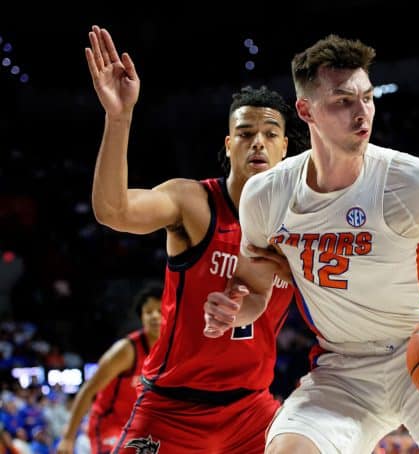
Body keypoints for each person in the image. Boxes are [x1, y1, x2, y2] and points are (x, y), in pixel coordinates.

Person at [204, 34, 419, 454]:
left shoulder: (416, 183)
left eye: (367, 97)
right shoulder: (265, 195)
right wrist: (232, 309)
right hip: (341, 369)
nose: (362, 114)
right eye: (343, 101)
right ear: (306, 111)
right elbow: (253, 293)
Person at [84, 25, 297, 453]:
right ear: (229, 143)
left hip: (251, 411)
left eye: (270, 133)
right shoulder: (193, 202)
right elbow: (113, 211)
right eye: (245, 132)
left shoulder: (299, 224)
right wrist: (119, 117)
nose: (258, 141)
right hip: (172, 408)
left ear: (286, 148)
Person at [56, 283, 162, 454]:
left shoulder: (172, 351)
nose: (155, 316)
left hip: (141, 429)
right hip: (109, 425)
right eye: (148, 312)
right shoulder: (125, 351)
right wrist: (68, 437)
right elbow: (88, 390)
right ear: (141, 317)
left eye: (161, 311)